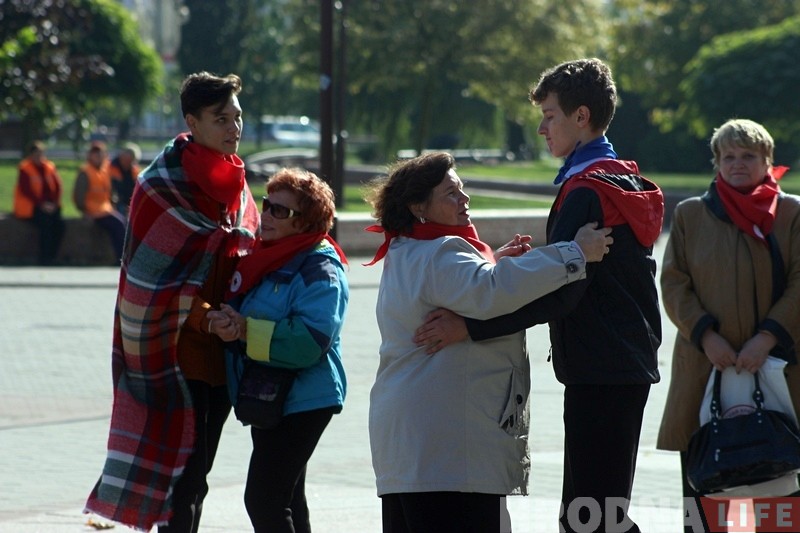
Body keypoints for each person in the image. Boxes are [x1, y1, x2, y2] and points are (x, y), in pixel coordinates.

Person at [414, 58, 664, 532]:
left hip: (602, 368)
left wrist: (471, 326)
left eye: (550, 115)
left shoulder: (586, 190)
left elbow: (561, 293)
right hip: (619, 363)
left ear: (581, 117)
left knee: (589, 519)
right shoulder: (619, 177)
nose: (541, 127)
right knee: (599, 515)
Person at [364, 151, 614, 533]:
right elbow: (490, 290)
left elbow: (469, 284)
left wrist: (494, 260)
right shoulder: (442, 251)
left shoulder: (406, 249)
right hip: (448, 452)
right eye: (450, 193)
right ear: (419, 207)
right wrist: (575, 253)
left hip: (414, 448)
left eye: (462, 189)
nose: (464, 199)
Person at [84, 72, 260, 532]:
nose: (233, 128)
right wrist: (208, 320)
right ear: (192, 121)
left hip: (222, 355)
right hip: (175, 356)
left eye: (237, 117)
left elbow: (246, 260)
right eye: (221, 118)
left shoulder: (237, 186)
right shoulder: (161, 186)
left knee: (196, 479)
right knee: (183, 484)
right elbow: (152, 286)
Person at [656, 119, 800, 531]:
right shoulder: (690, 215)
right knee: (705, 504)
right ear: (717, 162)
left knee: (781, 503)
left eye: (748, 156)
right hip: (706, 369)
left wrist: (768, 337)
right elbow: (674, 284)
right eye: (728, 156)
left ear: (768, 161)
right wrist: (706, 335)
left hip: (780, 372)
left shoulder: (791, 213)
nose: (737, 164)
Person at [215, 167, 349, 532]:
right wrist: (228, 323)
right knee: (288, 501)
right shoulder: (268, 257)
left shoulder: (320, 266)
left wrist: (244, 331)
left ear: (305, 223)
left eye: (281, 211)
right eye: (267, 205)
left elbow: (310, 340)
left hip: (305, 399)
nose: (268, 215)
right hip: (271, 394)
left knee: (263, 500)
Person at [13, 140, 65, 265]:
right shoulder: (25, 168)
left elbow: (58, 186)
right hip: (31, 207)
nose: (39, 157)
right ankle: (44, 258)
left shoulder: (49, 167)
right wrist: (42, 204)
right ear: (31, 155)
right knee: (45, 225)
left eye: (41, 154)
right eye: (36, 154)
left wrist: (54, 203)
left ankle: (53, 256)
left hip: (49, 206)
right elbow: (27, 191)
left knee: (60, 225)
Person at [73, 141, 127, 262]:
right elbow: (79, 196)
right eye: (95, 154)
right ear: (89, 156)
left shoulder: (104, 171)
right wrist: (84, 211)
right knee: (118, 225)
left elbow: (109, 193)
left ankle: (124, 258)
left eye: (100, 154)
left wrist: (114, 203)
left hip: (105, 210)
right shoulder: (85, 172)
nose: (98, 156)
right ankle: (122, 259)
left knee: (123, 221)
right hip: (93, 212)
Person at [109, 141, 142, 217]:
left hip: (129, 202)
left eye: (130, 160)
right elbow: (111, 191)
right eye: (125, 158)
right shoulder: (111, 168)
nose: (127, 162)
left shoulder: (135, 171)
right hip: (115, 203)